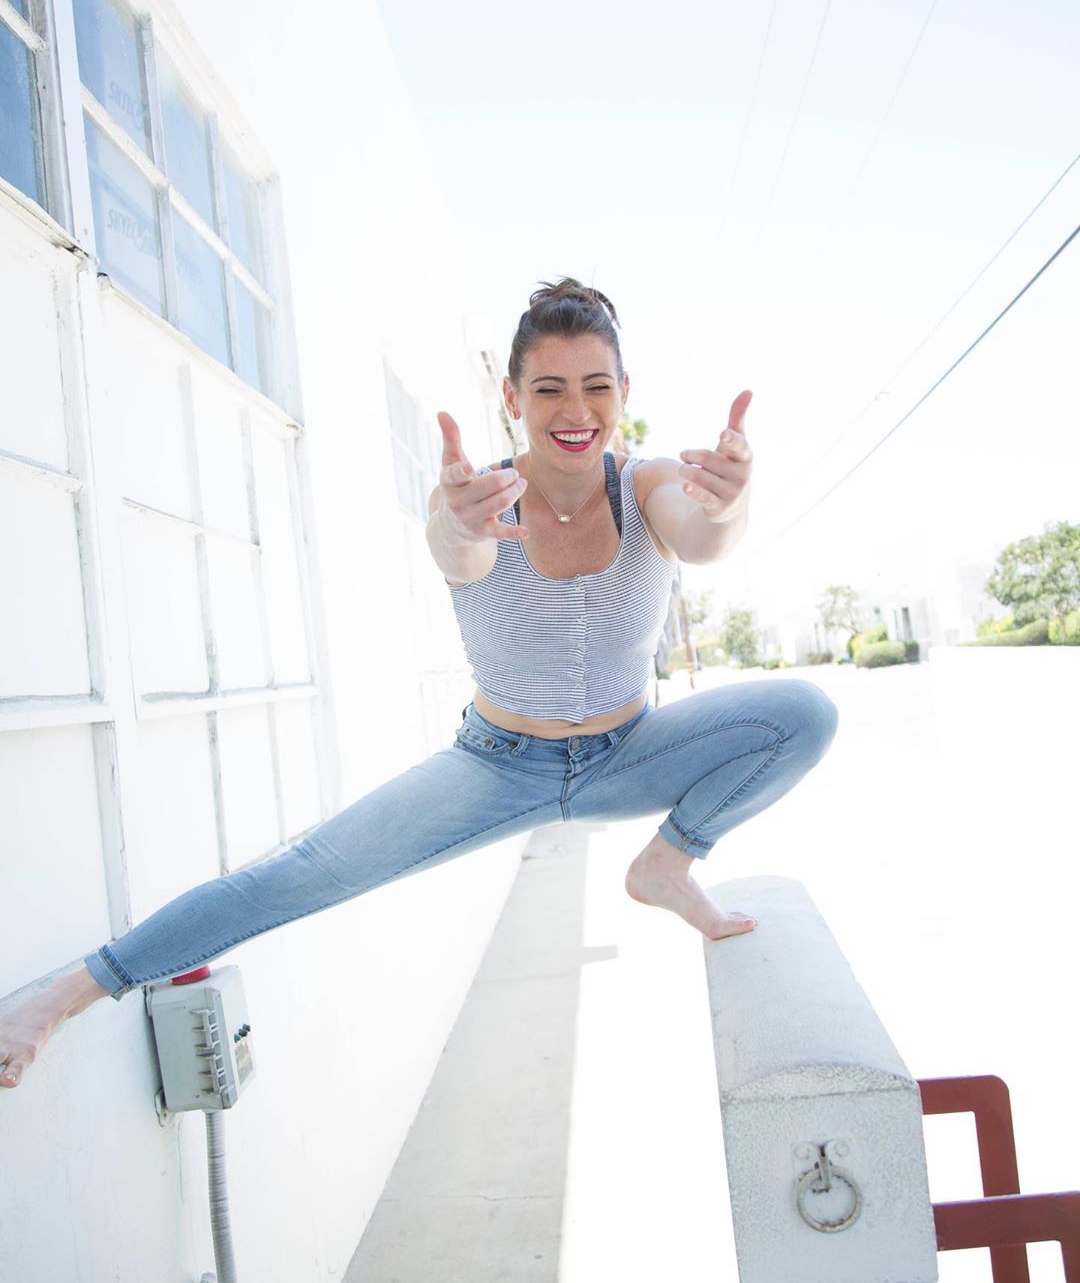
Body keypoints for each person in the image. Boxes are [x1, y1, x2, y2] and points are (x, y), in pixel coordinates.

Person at [0, 277, 838, 1090]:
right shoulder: (479, 498)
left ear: (625, 391)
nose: (575, 411)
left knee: (802, 712)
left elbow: (701, 538)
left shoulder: (647, 485)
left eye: (596, 386)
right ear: (512, 397)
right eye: (548, 389)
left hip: (629, 752)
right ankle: (62, 996)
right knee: (295, 874)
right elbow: (457, 550)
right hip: (499, 765)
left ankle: (668, 862)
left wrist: (728, 505)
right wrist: (456, 522)